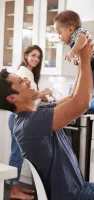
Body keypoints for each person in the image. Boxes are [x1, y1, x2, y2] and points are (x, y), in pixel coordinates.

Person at [0, 40, 94, 200]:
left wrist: (83, 66)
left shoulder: (35, 112)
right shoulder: (30, 123)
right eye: (21, 82)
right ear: (12, 97)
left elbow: (72, 97)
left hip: (80, 186)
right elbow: (82, 103)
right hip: (74, 196)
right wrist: (84, 58)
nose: (27, 80)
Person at [7, 45, 52, 200]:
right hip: (18, 118)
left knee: (19, 155)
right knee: (17, 155)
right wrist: (42, 93)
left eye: (38, 57)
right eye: (33, 55)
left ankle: (17, 187)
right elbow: (23, 98)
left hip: (23, 118)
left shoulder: (30, 74)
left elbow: (31, 98)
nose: (36, 59)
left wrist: (41, 97)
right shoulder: (22, 74)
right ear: (25, 56)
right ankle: (13, 190)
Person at [53, 10, 94, 115]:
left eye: (59, 33)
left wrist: (72, 52)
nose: (59, 36)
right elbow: (83, 53)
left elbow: (82, 40)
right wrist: (77, 59)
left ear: (70, 29)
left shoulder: (78, 33)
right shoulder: (74, 39)